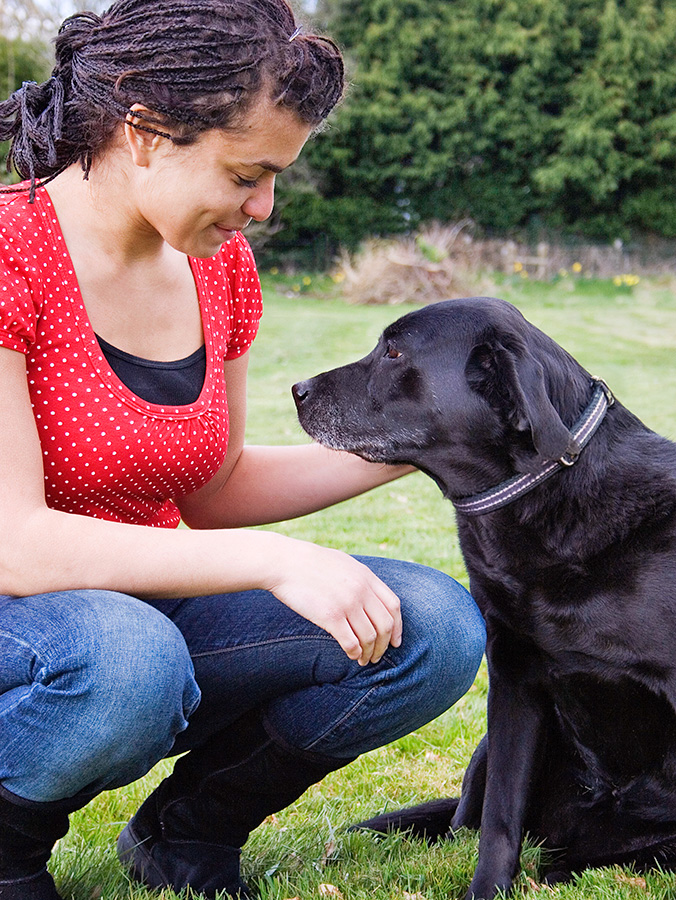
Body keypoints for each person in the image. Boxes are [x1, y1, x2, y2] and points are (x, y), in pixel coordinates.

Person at [0, 1, 486, 898]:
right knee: (126, 654)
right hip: (36, 625)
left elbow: (216, 487)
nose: (262, 208)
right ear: (144, 131)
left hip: (142, 609)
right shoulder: (7, 255)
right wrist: (271, 561)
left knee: (428, 626)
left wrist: (423, 439)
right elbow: (16, 545)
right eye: (245, 174)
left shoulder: (218, 268)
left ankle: (190, 832)